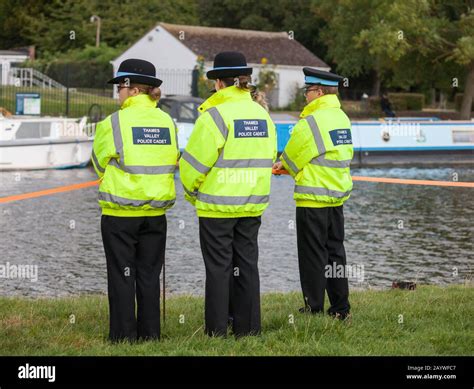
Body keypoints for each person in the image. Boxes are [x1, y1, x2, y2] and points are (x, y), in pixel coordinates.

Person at [179, 51, 277, 337]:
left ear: (220, 84)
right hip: (251, 205)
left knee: (219, 269)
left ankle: (217, 330)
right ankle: (248, 329)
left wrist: (192, 192)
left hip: (216, 207)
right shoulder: (263, 115)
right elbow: (270, 155)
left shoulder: (214, 117)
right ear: (244, 82)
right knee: (247, 266)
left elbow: (193, 165)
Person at [91, 58, 179, 342]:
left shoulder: (113, 122)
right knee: (149, 275)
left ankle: (123, 336)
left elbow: (98, 163)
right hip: (155, 214)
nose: (118, 93)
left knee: (121, 275)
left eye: (120, 88)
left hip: (120, 213)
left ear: (133, 90)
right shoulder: (167, 122)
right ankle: (151, 335)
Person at [273, 67, 353, 320]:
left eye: (307, 91)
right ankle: (341, 307)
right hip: (337, 196)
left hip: (312, 198)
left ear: (318, 92)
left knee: (312, 255)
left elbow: (293, 158)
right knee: (335, 253)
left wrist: (280, 165)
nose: (305, 96)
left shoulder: (311, 122)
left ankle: (314, 306)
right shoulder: (342, 117)